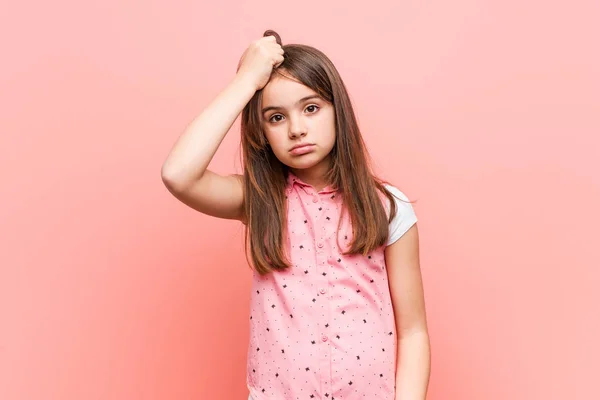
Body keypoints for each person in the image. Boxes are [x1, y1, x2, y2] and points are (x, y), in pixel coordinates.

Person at [161, 30, 430, 400]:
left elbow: (413, 330)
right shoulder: (259, 201)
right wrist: (246, 81)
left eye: (311, 108)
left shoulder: (388, 207)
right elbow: (178, 174)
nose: (297, 129)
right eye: (275, 117)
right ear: (261, 132)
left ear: (339, 110)